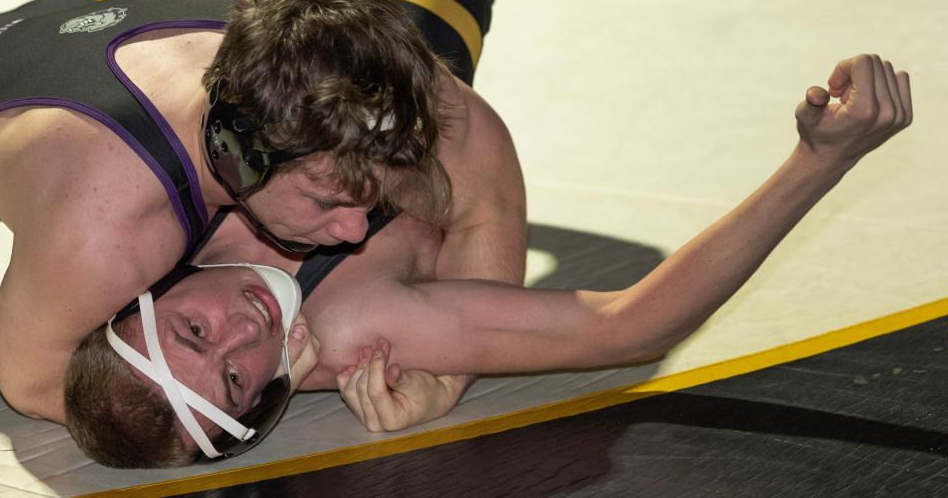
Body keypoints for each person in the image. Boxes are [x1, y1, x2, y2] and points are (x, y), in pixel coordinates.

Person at [70, 53, 911, 467]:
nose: (243, 334)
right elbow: (631, 325)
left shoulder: (142, 216)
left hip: (326, 25)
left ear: (142, 297)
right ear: (266, 399)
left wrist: (456, 379)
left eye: (192, 329)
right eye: (237, 381)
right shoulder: (351, 322)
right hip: (419, 7)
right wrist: (819, 163)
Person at [0, 0, 526, 444]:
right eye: (336, 201)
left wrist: (444, 369)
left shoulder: (423, 102)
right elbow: (31, 379)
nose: (349, 229)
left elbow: (29, 381)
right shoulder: (107, 211)